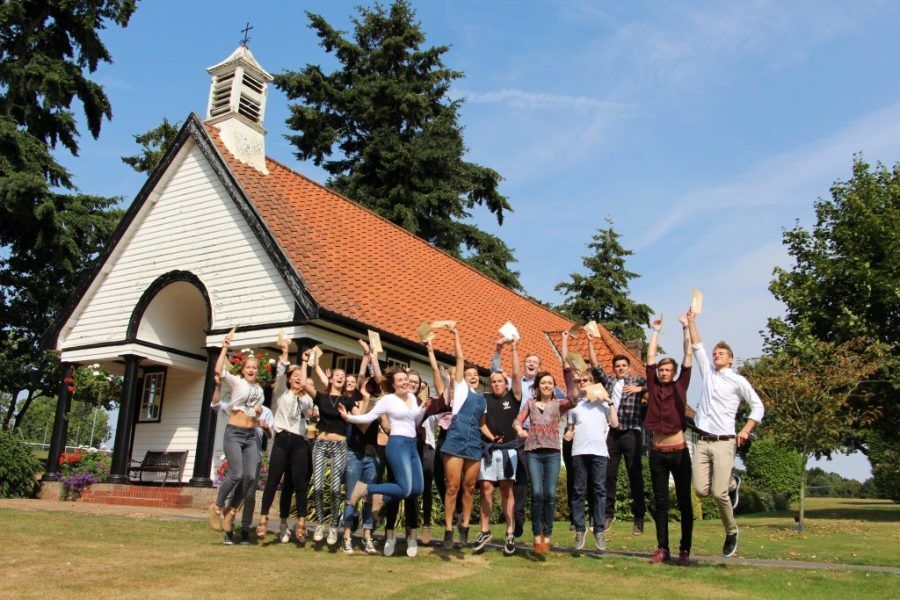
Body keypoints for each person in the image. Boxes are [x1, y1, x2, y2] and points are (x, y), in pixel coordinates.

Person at [687, 310, 764, 557]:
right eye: (715, 353)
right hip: (703, 441)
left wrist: (745, 430)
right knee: (700, 490)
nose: (716, 355)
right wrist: (691, 322)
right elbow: (698, 345)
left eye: (721, 353)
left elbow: (758, 406)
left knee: (718, 493)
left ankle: (731, 531)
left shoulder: (738, 381)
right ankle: (732, 483)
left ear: (731, 360)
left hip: (724, 442)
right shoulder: (708, 373)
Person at [342, 367, 429, 558]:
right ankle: (367, 489)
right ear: (393, 383)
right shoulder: (388, 400)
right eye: (401, 380)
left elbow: (415, 420)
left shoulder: (412, 398)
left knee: (418, 489)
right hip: (397, 443)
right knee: (404, 489)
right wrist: (349, 417)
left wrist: (422, 410)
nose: (405, 382)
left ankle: (378, 495)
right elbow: (369, 417)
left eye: (406, 379)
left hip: (412, 444)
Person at [586, 329, 648, 535]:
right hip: (614, 432)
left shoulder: (638, 381)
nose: (620, 369)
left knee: (634, 473)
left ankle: (638, 516)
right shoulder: (611, 382)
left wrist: (640, 390)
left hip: (632, 431)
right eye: (617, 366)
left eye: (623, 366)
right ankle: (608, 514)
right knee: (609, 473)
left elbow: (654, 384)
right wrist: (590, 343)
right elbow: (596, 367)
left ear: (629, 367)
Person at [645, 314, 694, 565]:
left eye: (667, 370)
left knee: (684, 501)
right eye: (662, 370)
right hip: (657, 453)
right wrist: (656, 331)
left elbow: (688, 356)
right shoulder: (653, 386)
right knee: (660, 503)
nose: (663, 372)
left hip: (679, 451)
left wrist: (686, 328)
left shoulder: (681, 385)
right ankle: (663, 549)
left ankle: (685, 550)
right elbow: (650, 358)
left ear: (674, 372)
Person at [562, 331, 617, 551]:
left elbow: (614, 424)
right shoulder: (576, 409)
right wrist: (568, 434)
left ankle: (600, 530)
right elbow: (570, 429)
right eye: (581, 381)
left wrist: (610, 402)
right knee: (578, 490)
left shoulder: (603, 404)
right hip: (579, 452)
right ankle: (579, 529)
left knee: (599, 490)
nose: (583, 383)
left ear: (592, 383)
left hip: (599, 452)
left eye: (586, 380)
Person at [256, 339, 314, 544]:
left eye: (301, 377)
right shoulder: (281, 392)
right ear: (289, 380)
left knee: (297, 484)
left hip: (299, 442)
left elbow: (310, 419)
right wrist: (285, 351)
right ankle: (263, 519)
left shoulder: (308, 399)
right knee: (273, 481)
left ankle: (298, 523)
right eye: (295, 377)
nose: (299, 379)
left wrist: (313, 415)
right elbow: (280, 372)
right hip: (282, 440)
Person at [208, 335, 265, 542]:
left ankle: (232, 510)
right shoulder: (236, 381)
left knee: (250, 477)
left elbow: (255, 411)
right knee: (236, 474)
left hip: (251, 435)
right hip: (234, 432)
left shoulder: (259, 389)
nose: (252, 370)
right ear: (242, 369)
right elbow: (218, 370)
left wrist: (258, 412)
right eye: (248, 367)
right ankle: (217, 505)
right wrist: (224, 348)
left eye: (255, 368)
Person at [439, 323, 487, 550]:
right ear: (463, 378)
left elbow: (483, 424)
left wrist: (495, 436)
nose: (472, 377)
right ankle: (448, 528)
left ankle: (465, 525)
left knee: (469, 487)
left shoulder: (483, 400)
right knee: (452, 486)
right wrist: (456, 333)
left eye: (475, 375)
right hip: (456, 438)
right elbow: (460, 358)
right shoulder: (460, 390)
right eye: (468, 375)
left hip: (475, 441)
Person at [299, 354, 356, 546]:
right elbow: (303, 383)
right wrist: (305, 361)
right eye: (338, 374)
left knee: (333, 488)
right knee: (317, 486)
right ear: (330, 378)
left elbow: (359, 415)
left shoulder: (347, 401)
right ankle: (319, 523)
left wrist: (347, 415)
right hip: (321, 444)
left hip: (339, 445)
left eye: (343, 375)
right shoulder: (321, 397)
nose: (341, 377)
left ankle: (333, 525)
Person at [473, 337, 523, 556]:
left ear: (506, 384)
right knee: (485, 489)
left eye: (500, 381)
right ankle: (485, 530)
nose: (496, 384)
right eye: (493, 381)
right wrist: (491, 437)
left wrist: (512, 348)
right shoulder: (484, 399)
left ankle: (510, 532)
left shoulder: (515, 397)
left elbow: (516, 373)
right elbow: (480, 423)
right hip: (489, 450)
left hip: (509, 450)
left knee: (506, 490)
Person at [514, 371, 572, 554]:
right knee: (538, 493)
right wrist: (519, 429)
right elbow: (518, 420)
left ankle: (547, 533)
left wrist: (574, 377)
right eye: (543, 383)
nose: (547, 386)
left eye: (550, 383)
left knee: (551, 494)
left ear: (554, 386)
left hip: (553, 453)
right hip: (533, 452)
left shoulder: (558, 405)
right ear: (538, 386)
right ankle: (536, 532)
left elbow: (574, 399)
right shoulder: (530, 403)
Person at [492, 341, 541, 538]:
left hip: (535, 436)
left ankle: (530, 520)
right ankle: (516, 519)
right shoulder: (515, 382)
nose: (531, 363)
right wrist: (498, 350)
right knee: (514, 479)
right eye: (528, 360)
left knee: (530, 480)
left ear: (539, 366)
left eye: (534, 362)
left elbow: (564, 401)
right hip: (516, 435)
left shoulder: (545, 384)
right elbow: (496, 372)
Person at [341, 371, 382, 556]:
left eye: (371, 386)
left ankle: (367, 537)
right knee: (352, 496)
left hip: (371, 454)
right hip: (355, 454)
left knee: (368, 498)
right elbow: (362, 425)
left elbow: (386, 427)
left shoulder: (379, 406)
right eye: (366, 385)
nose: (369, 389)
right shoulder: (352, 402)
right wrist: (366, 399)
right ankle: (347, 537)